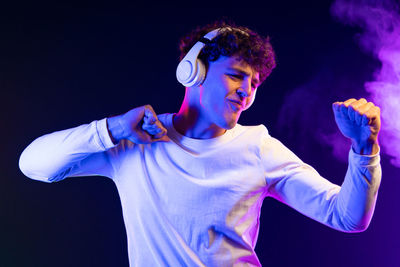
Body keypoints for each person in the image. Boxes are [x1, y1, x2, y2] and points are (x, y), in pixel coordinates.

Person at [19, 21, 382, 266]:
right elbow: (33, 164)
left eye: (254, 83)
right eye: (236, 75)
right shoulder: (136, 141)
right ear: (193, 70)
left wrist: (365, 149)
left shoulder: (258, 147)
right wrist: (111, 128)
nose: (246, 91)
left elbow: (347, 217)